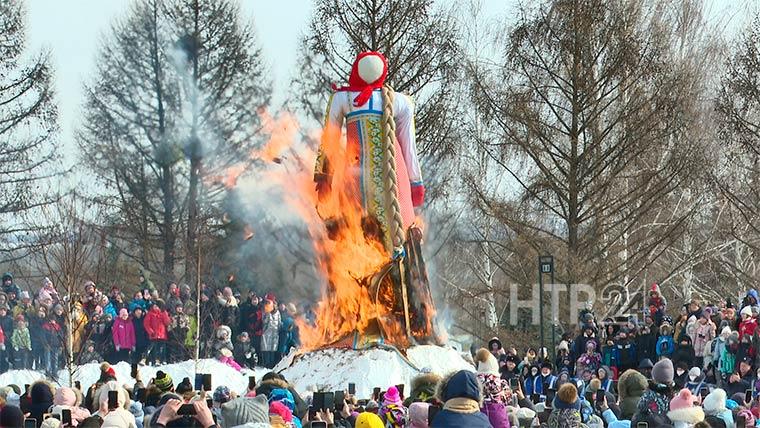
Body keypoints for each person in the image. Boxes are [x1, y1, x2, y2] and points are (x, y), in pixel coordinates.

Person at [314, 50, 425, 253]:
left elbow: (329, 142)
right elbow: (409, 148)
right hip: (396, 185)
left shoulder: (342, 99)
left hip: (356, 183)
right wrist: (416, 184)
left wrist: (324, 178)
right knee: (400, 245)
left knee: (355, 243)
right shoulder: (402, 102)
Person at [143, 300, 170, 365]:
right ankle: (145, 359)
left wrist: (164, 313)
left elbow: (167, 322)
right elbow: (146, 324)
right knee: (151, 347)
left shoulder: (162, 313)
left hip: (162, 335)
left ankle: (160, 360)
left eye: (157, 306)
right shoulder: (150, 313)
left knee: (161, 348)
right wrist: (150, 331)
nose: (156, 307)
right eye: (154, 306)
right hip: (153, 334)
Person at [260, 297, 281, 368]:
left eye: (273, 304)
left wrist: (279, 329)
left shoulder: (278, 312)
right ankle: (266, 363)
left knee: (273, 349)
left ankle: (272, 364)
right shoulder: (266, 311)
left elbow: (279, 322)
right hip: (267, 332)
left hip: (275, 333)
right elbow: (263, 321)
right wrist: (267, 314)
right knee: (266, 349)